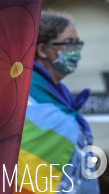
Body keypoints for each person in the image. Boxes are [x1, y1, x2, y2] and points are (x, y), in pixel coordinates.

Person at [17, 11, 100, 193]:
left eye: (78, 43)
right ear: (42, 50)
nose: (76, 50)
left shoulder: (62, 97)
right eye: (70, 43)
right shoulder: (24, 93)